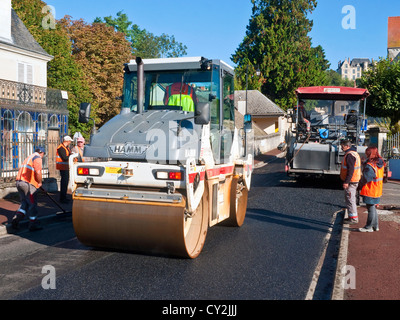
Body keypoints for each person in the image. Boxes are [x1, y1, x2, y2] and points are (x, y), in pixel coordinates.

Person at [11, 147, 46, 231]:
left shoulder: (29, 157)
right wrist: (40, 182)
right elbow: (38, 172)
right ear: (42, 153)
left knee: (24, 203)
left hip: (19, 182)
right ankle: (33, 224)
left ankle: (16, 220)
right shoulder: (37, 158)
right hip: (28, 184)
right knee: (32, 204)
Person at [358, 146, 385, 232]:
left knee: (370, 208)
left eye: (367, 153)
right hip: (377, 189)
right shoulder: (380, 163)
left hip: (370, 190)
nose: (366, 154)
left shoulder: (370, 166)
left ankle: (368, 227)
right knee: (373, 208)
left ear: (370, 154)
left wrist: (359, 185)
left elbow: (367, 178)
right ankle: (375, 226)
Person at [340, 139, 361, 224]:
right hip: (354, 180)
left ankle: (353, 218)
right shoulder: (354, 153)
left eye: (343, 146)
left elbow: (350, 170)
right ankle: (351, 216)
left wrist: (346, 182)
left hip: (351, 181)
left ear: (347, 146)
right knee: (350, 198)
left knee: (350, 199)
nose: (341, 148)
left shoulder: (349, 156)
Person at [56, 135, 72, 203]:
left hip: (66, 167)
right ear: (67, 141)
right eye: (70, 141)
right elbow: (65, 158)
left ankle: (64, 197)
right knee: (64, 183)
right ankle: (62, 198)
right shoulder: (61, 148)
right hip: (62, 167)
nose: (70, 142)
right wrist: (71, 156)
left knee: (65, 182)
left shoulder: (66, 147)